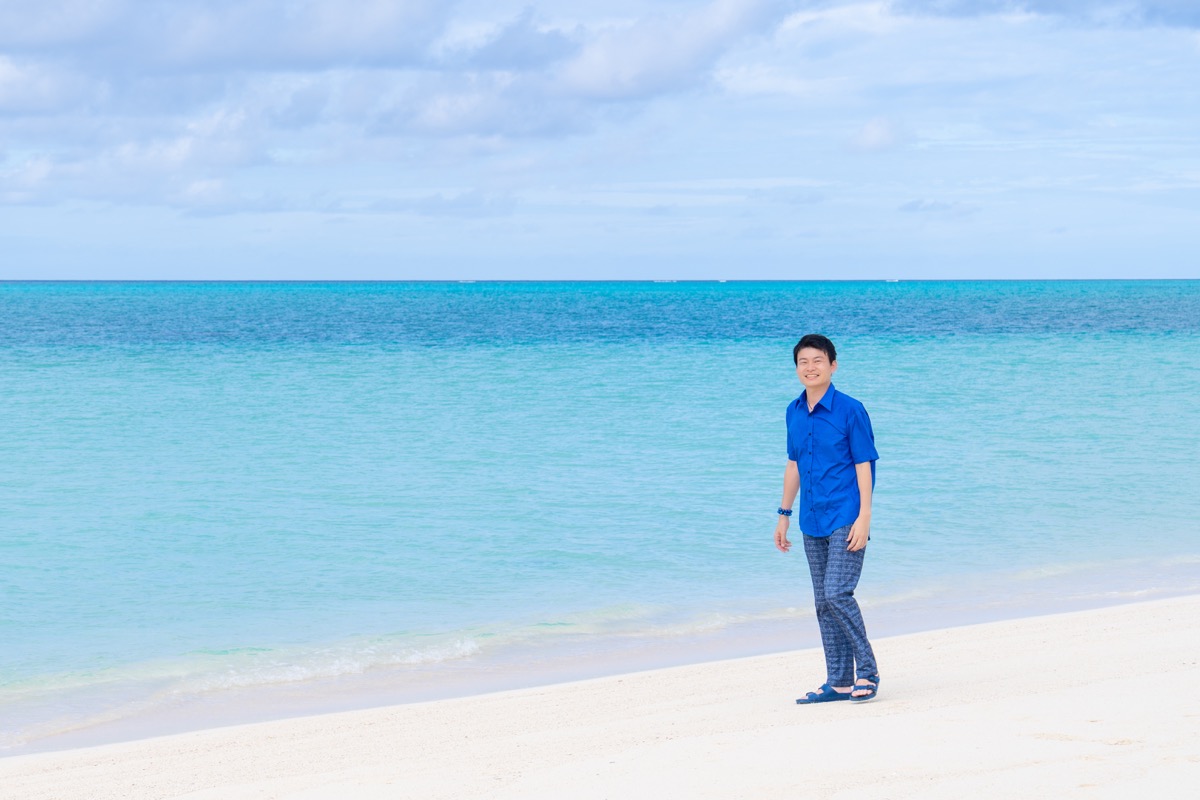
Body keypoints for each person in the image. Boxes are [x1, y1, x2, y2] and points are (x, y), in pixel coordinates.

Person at [774, 333, 880, 704]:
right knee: (822, 601)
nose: (810, 368)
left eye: (818, 360)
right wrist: (784, 514)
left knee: (837, 593)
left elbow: (864, 463)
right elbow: (793, 465)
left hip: (846, 516)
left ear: (833, 365)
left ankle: (867, 672)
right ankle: (839, 681)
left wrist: (865, 516)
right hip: (811, 519)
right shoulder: (793, 411)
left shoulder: (851, 410)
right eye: (803, 362)